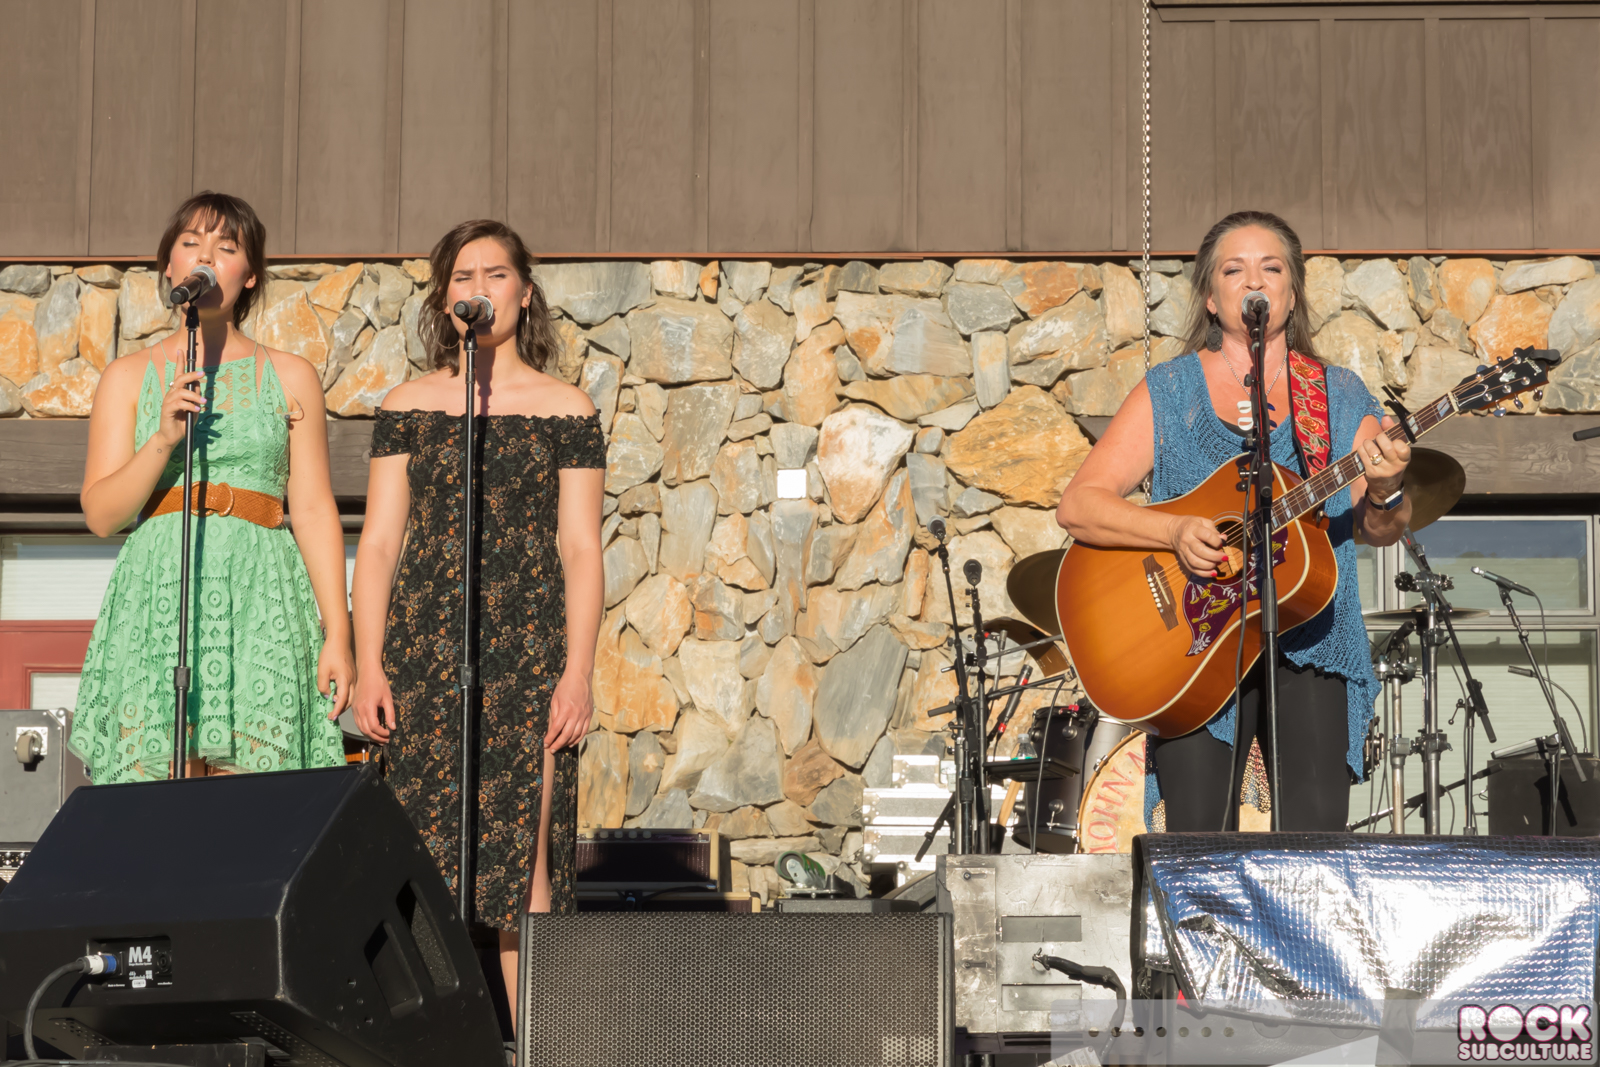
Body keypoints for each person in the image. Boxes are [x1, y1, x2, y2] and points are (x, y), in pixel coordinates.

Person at [1056, 210, 1411, 832]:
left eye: (1271, 268)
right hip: (1192, 644)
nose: (1254, 281)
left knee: (1316, 849)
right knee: (1199, 846)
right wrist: (1171, 532)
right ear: (1210, 297)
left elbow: (1380, 529)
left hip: (1312, 637)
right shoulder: (1171, 390)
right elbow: (1079, 505)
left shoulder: (1334, 393)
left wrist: (1385, 488)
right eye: (1233, 269)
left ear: (1292, 294)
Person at [349, 219, 604, 1015]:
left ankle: (537, 1047)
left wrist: (577, 672)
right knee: (417, 857)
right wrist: (369, 663)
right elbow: (380, 543)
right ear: (444, 298)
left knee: (524, 862)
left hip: (528, 653)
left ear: (524, 294)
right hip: (424, 654)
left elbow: (580, 547)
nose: (479, 288)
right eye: (463, 276)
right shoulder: (408, 405)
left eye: (496, 274)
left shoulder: (566, 409)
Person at [71, 191, 351, 782]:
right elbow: (101, 514)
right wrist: (163, 438)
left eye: (226, 247)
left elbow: (312, 509)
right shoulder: (128, 376)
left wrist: (338, 634)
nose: (206, 257)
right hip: (160, 591)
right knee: (158, 799)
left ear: (249, 276)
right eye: (191, 243)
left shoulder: (291, 374)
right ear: (169, 266)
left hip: (261, 592)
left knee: (253, 801)